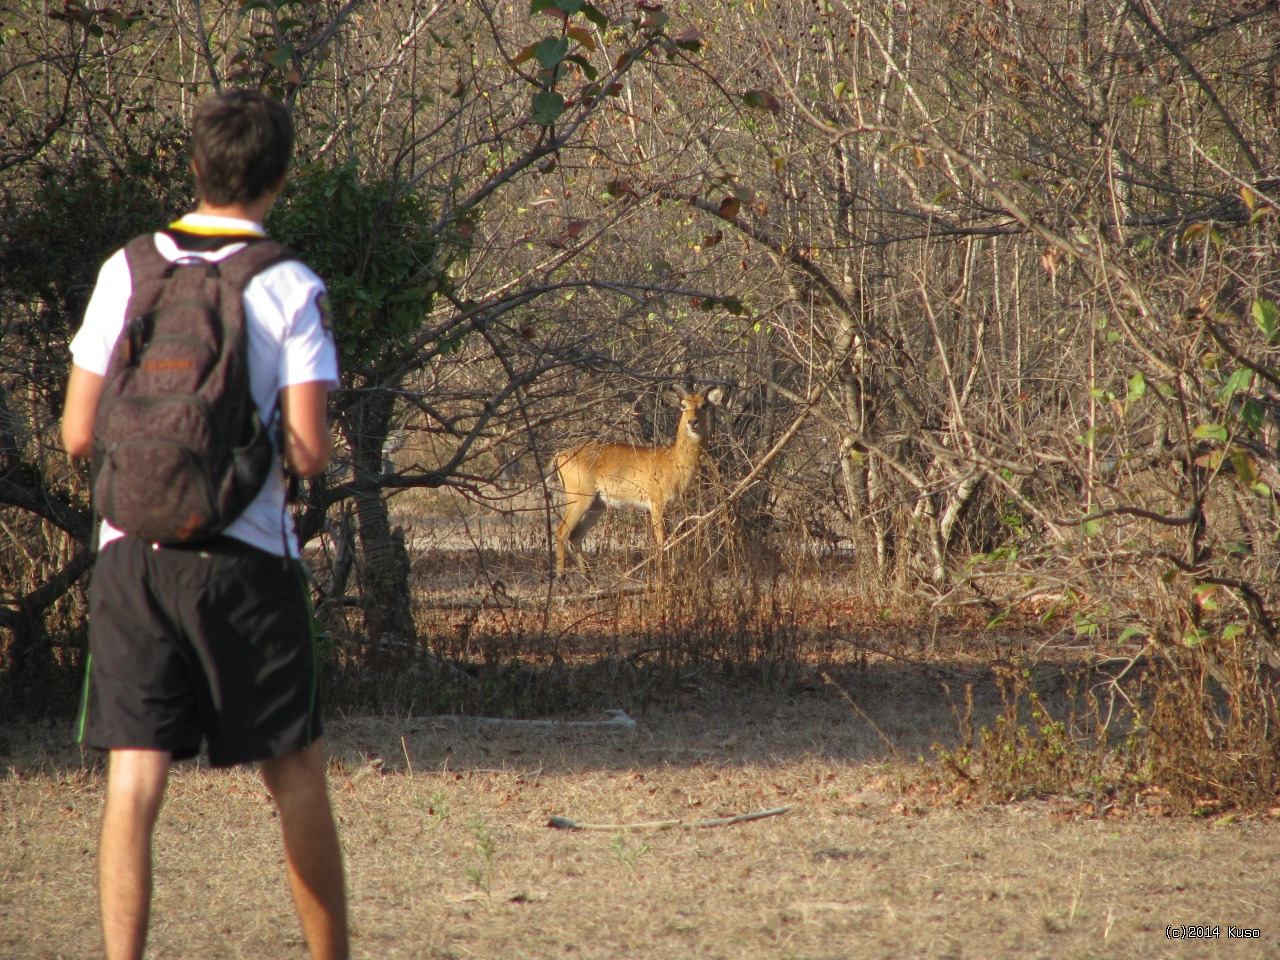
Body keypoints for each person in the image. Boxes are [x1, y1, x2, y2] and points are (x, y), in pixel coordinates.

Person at [60, 89, 349, 960]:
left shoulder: (128, 268)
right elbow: (307, 452)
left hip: (130, 562)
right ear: (282, 176)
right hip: (246, 562)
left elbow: (78, 432)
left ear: (194, 167)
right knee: (292, 770)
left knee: (134, 779)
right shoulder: (291, 284)